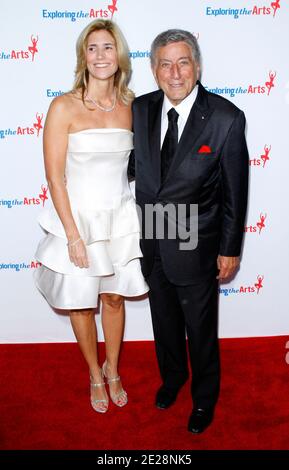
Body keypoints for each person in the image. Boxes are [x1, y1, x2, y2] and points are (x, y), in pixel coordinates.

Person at [129, 29, 248, 433]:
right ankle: (173, 378)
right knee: (163, 320)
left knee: (199, 328)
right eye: (165, 63)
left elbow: (236, 191)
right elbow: (133, 168)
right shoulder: (140, 109)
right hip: (152, 233)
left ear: (197, 65)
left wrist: (230, 248)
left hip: (196, 238)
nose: (174, 72)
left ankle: (204, 398)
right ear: (154, 69)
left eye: (183, 62)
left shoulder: (226, 118)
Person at [34, 19, 148, 414]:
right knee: (82, 303)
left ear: (120, 56)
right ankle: (93, 374)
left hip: (119, 217)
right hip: (78, 219)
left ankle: (113, 368)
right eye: (93, 48)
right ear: (83, 56)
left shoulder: (134, 107)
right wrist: (72, 234)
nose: (101, 55)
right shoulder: (63, 106)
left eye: (108, 47)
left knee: (114, 298)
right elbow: (54, 175)